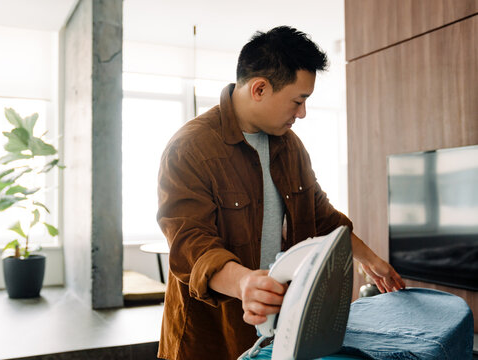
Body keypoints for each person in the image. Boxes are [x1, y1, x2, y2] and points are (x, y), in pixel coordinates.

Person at [156, 26, 406, 360]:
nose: (302, 112)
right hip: (212, 336)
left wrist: (370, 260)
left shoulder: (290, 146)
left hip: (281, 333)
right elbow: (191, 245)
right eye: (298, 100)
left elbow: (321, 216)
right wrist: (245, 284)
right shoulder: (190, 148)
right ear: (259, 88)